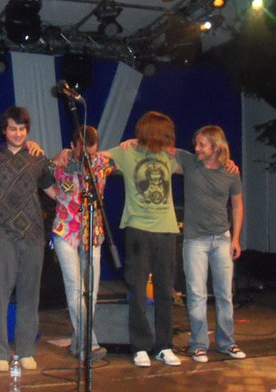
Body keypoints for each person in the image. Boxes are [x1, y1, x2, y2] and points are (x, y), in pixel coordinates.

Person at [0, 106, 56, 372]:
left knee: (29, 295)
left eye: (22, 129)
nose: (18, 134)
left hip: (33, 233)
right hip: (0, 233)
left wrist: (76, 199)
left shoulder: (37, 157)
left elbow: (53, 190)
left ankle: (26, 350)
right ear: (4, 130)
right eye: (13, 129)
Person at [104, 111, 182, 367]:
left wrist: (227, 162)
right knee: (137, 290)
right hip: (138, 229)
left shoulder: (169, 155)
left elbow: (199, 163)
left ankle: (164, 346)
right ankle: (140, 347)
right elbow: (97, 156)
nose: (170, 138)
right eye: (166, 134)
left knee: (165, 290)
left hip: (166, 230)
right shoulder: (128, 152)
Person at [176, 125, 246, 363]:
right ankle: (198, 344)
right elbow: (161, 148)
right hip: (195, 240)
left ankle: (227, 342)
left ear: (216, 147)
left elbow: (237, 206)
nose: (196, 148)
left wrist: (235, 238)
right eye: (196, 144)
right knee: (196, 294)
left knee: (225, 294)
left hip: (221, 239)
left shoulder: (231, 172)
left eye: (202, 144)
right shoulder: (190, 163)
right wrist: (134, 142)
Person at [50, 126, 116, 364]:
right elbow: (42, 173)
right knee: (75, 288)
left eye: (91, 149)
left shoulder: (103, 163)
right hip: (65, 231)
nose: (86, 154)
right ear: (73, 145)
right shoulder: (61, 164)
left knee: (91, 292)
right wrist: (60, 157)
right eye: (81, 149)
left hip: (92, 233)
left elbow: (125, 153)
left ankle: (78, 343)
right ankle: (90, 345)